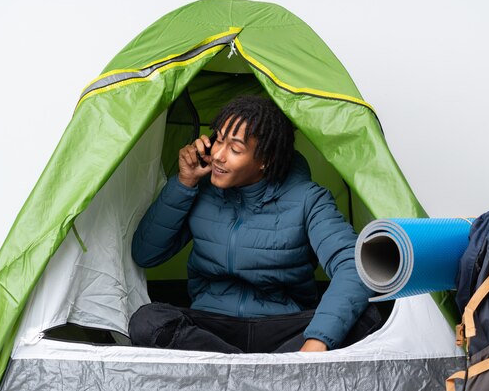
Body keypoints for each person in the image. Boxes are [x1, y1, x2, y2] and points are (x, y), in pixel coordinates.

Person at [128, 95, 380, 353]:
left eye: (235, 149)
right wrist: (184, 183)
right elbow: (145, 253)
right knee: (147, 321)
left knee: (365, 319)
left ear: (265, 160)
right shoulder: (200, 190)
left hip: (282, 328)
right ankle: (260, 374)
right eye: (219, 140)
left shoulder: (308, 199)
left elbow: (353, 265)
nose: (218, 156)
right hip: (212, 327)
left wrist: (317, 341)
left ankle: (234, 373)